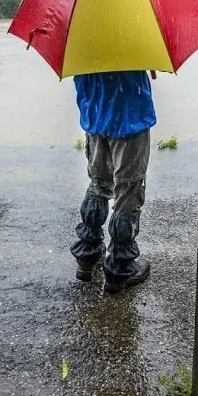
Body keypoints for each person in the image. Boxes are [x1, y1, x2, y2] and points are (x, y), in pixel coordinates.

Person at [71, 70, 156, 294]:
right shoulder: (135, 37)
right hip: (129, 115)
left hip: (95, 114)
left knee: (99, 184)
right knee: (128, 191)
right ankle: (121, 267)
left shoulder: (78, 39)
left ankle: (87, 255)